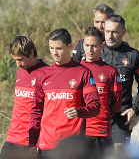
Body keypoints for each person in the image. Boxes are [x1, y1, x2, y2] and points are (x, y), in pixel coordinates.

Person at [29, 28, 100, 159]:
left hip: (72, 148)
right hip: (46, 146)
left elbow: (95, 107)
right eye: (51, 48)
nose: (54, 53)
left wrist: (79, 111)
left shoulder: (83, 73)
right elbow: (36, 111)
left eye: (59, 48)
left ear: (69, 47)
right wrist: (33, 142)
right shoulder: (43, 74)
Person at [101, 15, 139, 152]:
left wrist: (135, 110)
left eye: (114, 32)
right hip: (98, 114)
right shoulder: (96, 53)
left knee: (119, 154)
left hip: (121, 115)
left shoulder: (133, 55)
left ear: (123, 32)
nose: (110, 35)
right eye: (107, 31)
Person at [0, 36, 48, 159]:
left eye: (20, 59)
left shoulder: (47, 73)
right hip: (12, 137)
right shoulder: (21, 70)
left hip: (32, 141)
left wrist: (38, 141)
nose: (17, 64)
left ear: (31, 52)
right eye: (15, 60)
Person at [80, 26, 122, 156]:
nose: (90, 49)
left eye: (94, 46)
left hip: (101, 131)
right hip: (79, 133)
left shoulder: (111, 72)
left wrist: (103, 115)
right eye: (87, 45)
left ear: (102, 46)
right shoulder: (75, 70)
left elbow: (116, 104)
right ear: (83, 45)